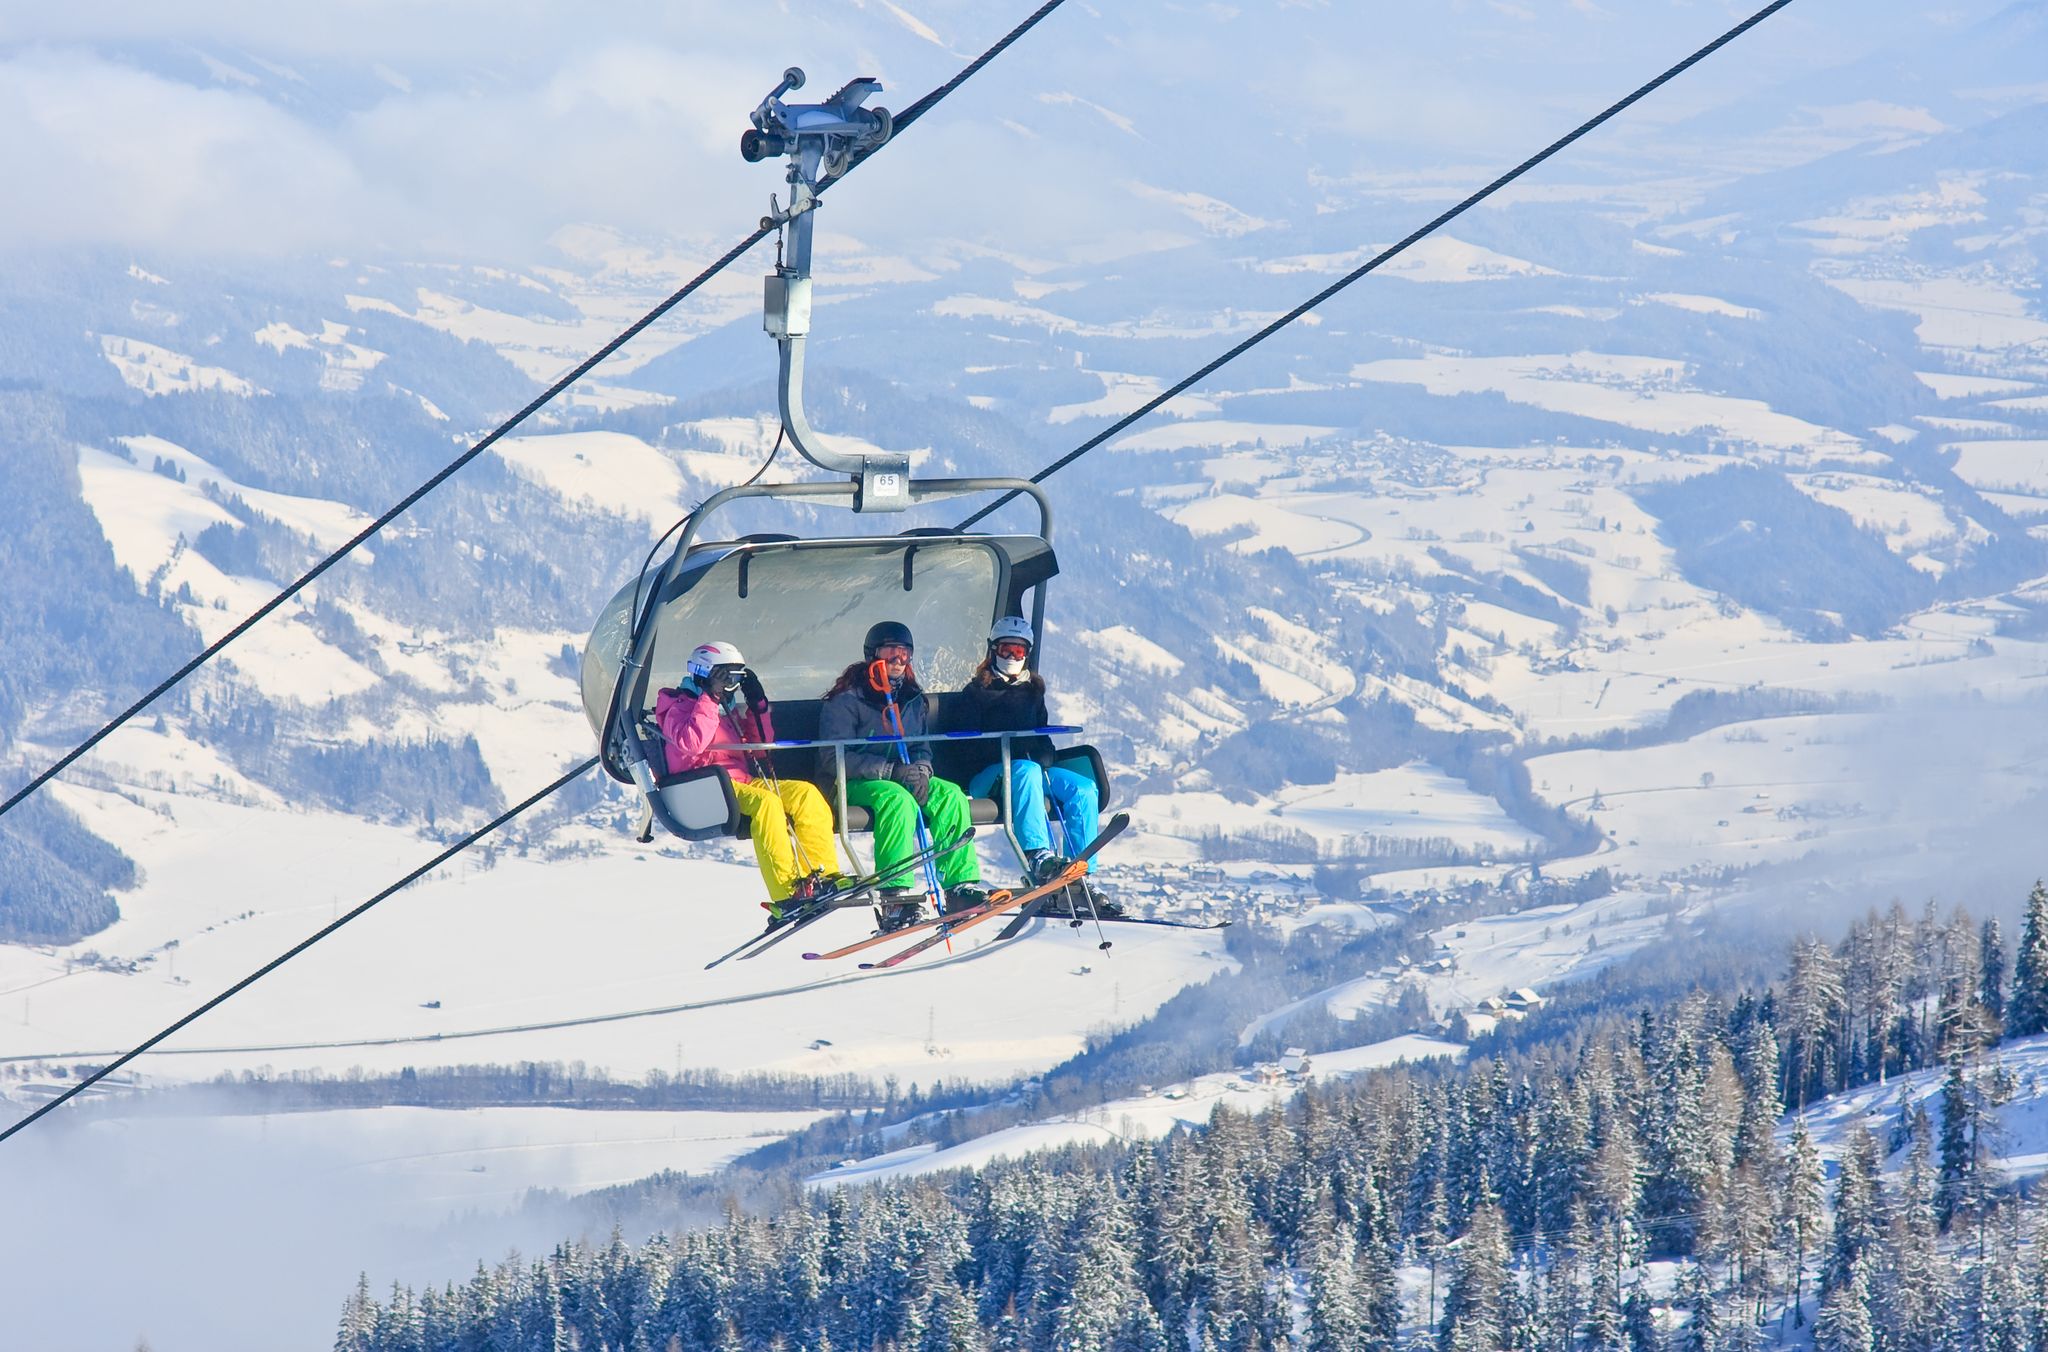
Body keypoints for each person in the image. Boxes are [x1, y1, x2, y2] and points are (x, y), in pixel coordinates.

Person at [818, 620, 986, 930]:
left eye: (905, 654)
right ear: (873, 654)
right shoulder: (847, 700)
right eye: (891, 653)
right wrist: (891, 771)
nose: (898, 661)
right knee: (898, 802)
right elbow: (832, 757)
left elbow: (922, 746)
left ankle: (959, 886)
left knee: (950, 795)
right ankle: (894, 895)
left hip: (904, 775)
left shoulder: (910, 698)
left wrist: (921, 772)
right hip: (855, 783)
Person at [657, 641, 841, 919]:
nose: (730, 686)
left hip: (739, 782)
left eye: (737, 679)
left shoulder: (725, 709)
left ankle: (824, 876)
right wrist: (709, 699)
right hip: (703, 785)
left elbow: (760, 747)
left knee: (806, 794)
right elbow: (691, 743)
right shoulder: (677, 706)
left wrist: (758, 706)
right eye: (726, 678)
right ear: (705, 674)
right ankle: (787, 891)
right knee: (766, 804)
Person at [952, 617, 1116, 915]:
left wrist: (1046, 756)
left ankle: (1079, 873)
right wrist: (1009, 753)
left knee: (1083, 788)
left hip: (1027, 771)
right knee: (1026, 772)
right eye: (1006, 650)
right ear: (993, 651)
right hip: (987, 776)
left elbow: (1043, 739)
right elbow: (964, 748)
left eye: (1018, 651)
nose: (1012, 657)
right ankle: (1040, 856)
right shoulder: (975, 693)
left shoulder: (1032, 693)